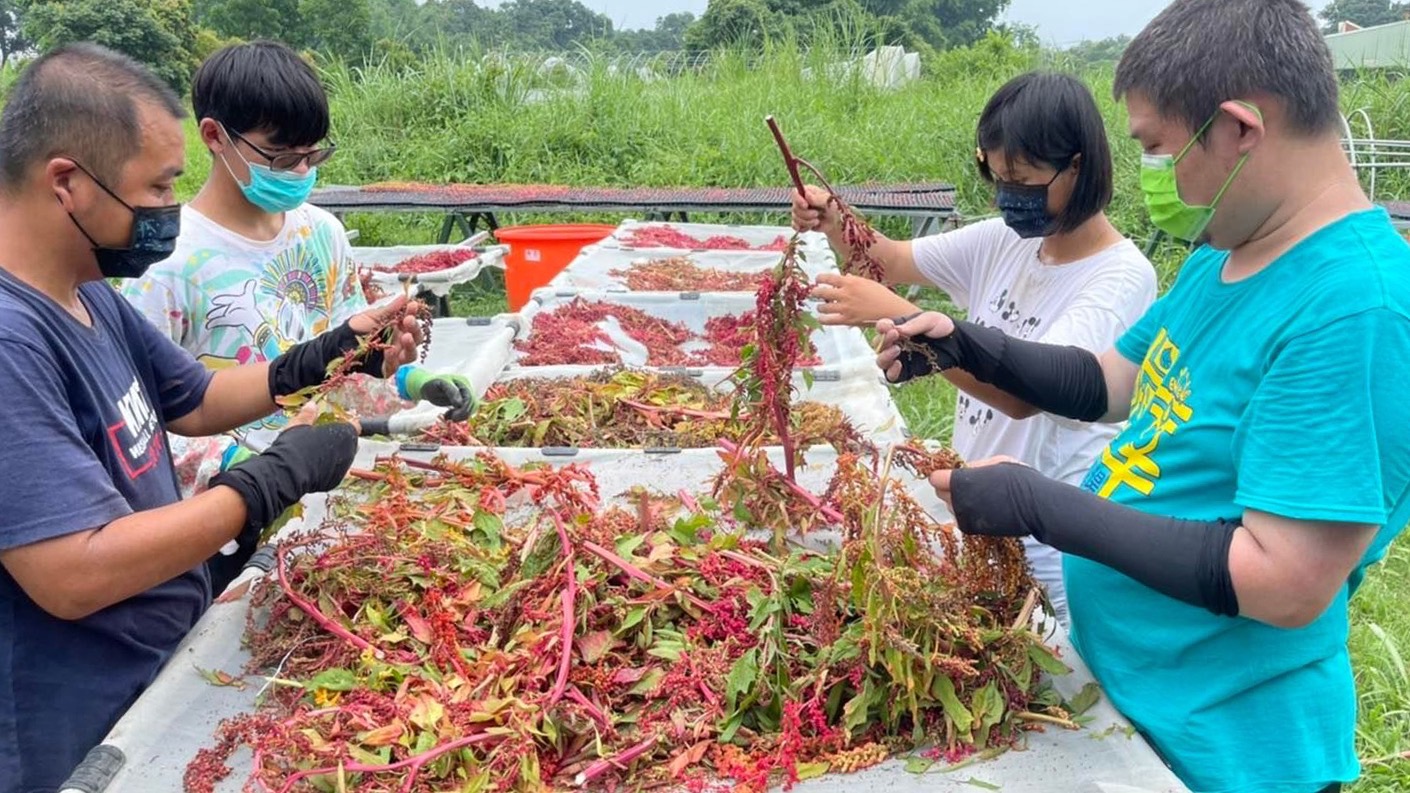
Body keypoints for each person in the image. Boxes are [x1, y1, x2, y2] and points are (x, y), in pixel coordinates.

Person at [877, 2, 1410, 791]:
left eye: (1158, 149)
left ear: (1239, 128)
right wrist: (965, 342)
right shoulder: (1223, 256)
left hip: (1230, 748)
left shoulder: (1353, 307)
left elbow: (1286, 581)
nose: (1155, 175)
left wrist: (1038, 505)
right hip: (1136, 696)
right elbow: (1106, 382)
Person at [0, 44, 428, 791]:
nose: (172, 207)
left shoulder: (85, 287)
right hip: (72, 722)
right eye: (159, 186)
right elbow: (71, 572)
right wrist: (271, 480)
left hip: (152, 667)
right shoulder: (12, 340)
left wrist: (336, 354)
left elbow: (196, 397)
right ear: (67, 182)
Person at [792, 71, 1157, 625]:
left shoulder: (1118, 278)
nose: (1010, 196)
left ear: (1078, 166)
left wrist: (902, 315)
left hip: (1050, 546)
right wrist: (834, 221)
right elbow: (887, 261)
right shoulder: (1004, 240)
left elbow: (1027, 396)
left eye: (1026, 179)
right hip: (978, 514)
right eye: (999, 177)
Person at [121, 42, 474, 592]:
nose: (302, 171)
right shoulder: (166, 266)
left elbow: (339, 364)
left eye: (313, 156)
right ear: (215, 137)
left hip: (322, 495)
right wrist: (244, 462)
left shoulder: (321, 234)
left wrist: (402, 374)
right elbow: (136, 428)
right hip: (222, 521)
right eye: (283, 158)